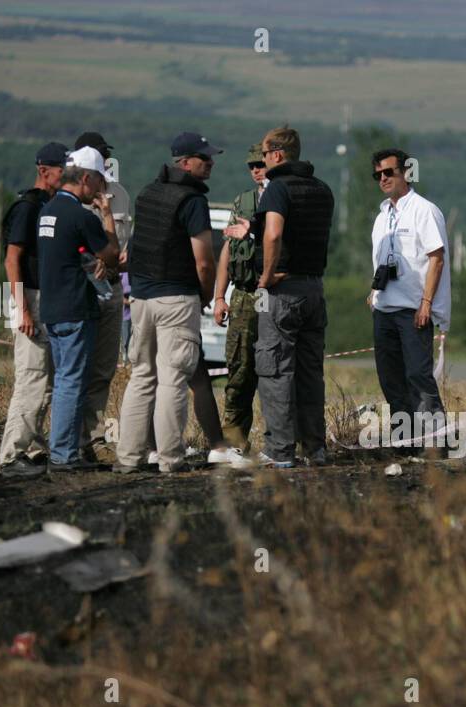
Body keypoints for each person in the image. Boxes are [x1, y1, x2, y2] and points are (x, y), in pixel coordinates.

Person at [115, 132, 245, 473]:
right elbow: (204, 260)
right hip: (176, 299)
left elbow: (135, 248)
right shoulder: (192, 201)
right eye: (205, 158)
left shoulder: (147, 193)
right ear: (185, 163)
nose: (212, 162)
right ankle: (171, 459)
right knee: (173, 378)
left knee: (142, 376)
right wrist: (205, 295)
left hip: (141, 299)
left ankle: (129, 458)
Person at [249, 126, 335, 468]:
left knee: (275, 371)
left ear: (278, 155)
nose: (262, 160)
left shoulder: (276, 189)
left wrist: (267, 276)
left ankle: (280, 451)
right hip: (315, 289)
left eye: (265, 154)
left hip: (282, 292)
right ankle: (315, 447)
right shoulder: (323, 190)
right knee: (310, 372)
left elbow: (273, 234)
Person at [36, 145, 119, 470]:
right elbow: (110, 254)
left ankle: (62, 450)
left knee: (63, 382)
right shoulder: (81, 216)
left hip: (52, 307)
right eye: (99, 181)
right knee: (72, 381)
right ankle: (64, 455)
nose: (101, 189)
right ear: (85, 178)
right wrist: (106, 213)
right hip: (75, 308)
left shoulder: (48, 211)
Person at [366, 146, 450, 432]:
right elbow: (382, 260)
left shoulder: (423, 210)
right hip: (384, 309)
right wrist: (374, 291)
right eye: (378, 175)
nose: (383, 179)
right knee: (390, 380)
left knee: (418, 376)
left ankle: (437, 440)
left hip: (413, 309)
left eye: (389, 172)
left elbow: (436, 258)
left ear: (406, 173)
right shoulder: (381, 216)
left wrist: (427, 302)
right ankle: (406, 439)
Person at [0, 141, 67, 478]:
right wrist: (23, 309)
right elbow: (12, 259)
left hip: (45, 300)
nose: (67, 175)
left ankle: (35, 449)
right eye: (61, 170)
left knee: (47, 381)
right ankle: (12, 455)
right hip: (31, 299)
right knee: (32, 379)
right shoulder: (28, 207)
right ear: (44, 171)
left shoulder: (50, 205)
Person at [73, 131, 131, 463]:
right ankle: (68, 437)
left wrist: (125, 257)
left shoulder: (120, 194)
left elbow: (124, 240)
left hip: (111, 289)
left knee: (103, 367)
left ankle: (92, 438)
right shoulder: (71, 198)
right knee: (75, 367)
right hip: (81, 289)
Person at [213, 143, 269, 453]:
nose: (256, 170)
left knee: (277, 369)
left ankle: (282, 439)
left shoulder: (281, 198)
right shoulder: (243, 202)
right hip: (244, 295)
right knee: (239, 368)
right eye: (252, 166)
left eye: (261, 163)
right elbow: (228, 250)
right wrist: (220, 296)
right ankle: (234, 438)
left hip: (272, 294)